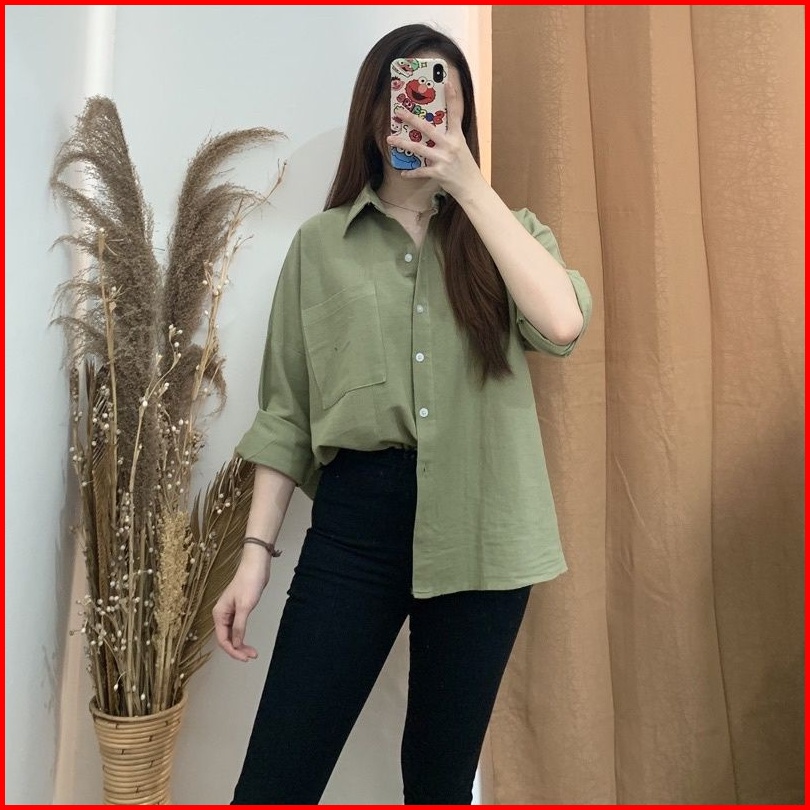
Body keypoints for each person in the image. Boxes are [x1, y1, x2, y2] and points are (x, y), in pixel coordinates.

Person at [213, 22, 593, 806]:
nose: (420, 110)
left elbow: (562, 323)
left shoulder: (503, 233)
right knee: (276, 780)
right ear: (374, 110)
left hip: (484, 522)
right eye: (405, 92)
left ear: (461, 118)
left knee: (439, 783)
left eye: (438, 98)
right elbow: (286, 414)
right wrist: (254, 556)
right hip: (356, 526)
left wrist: (471, 186)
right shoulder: (320, 246)